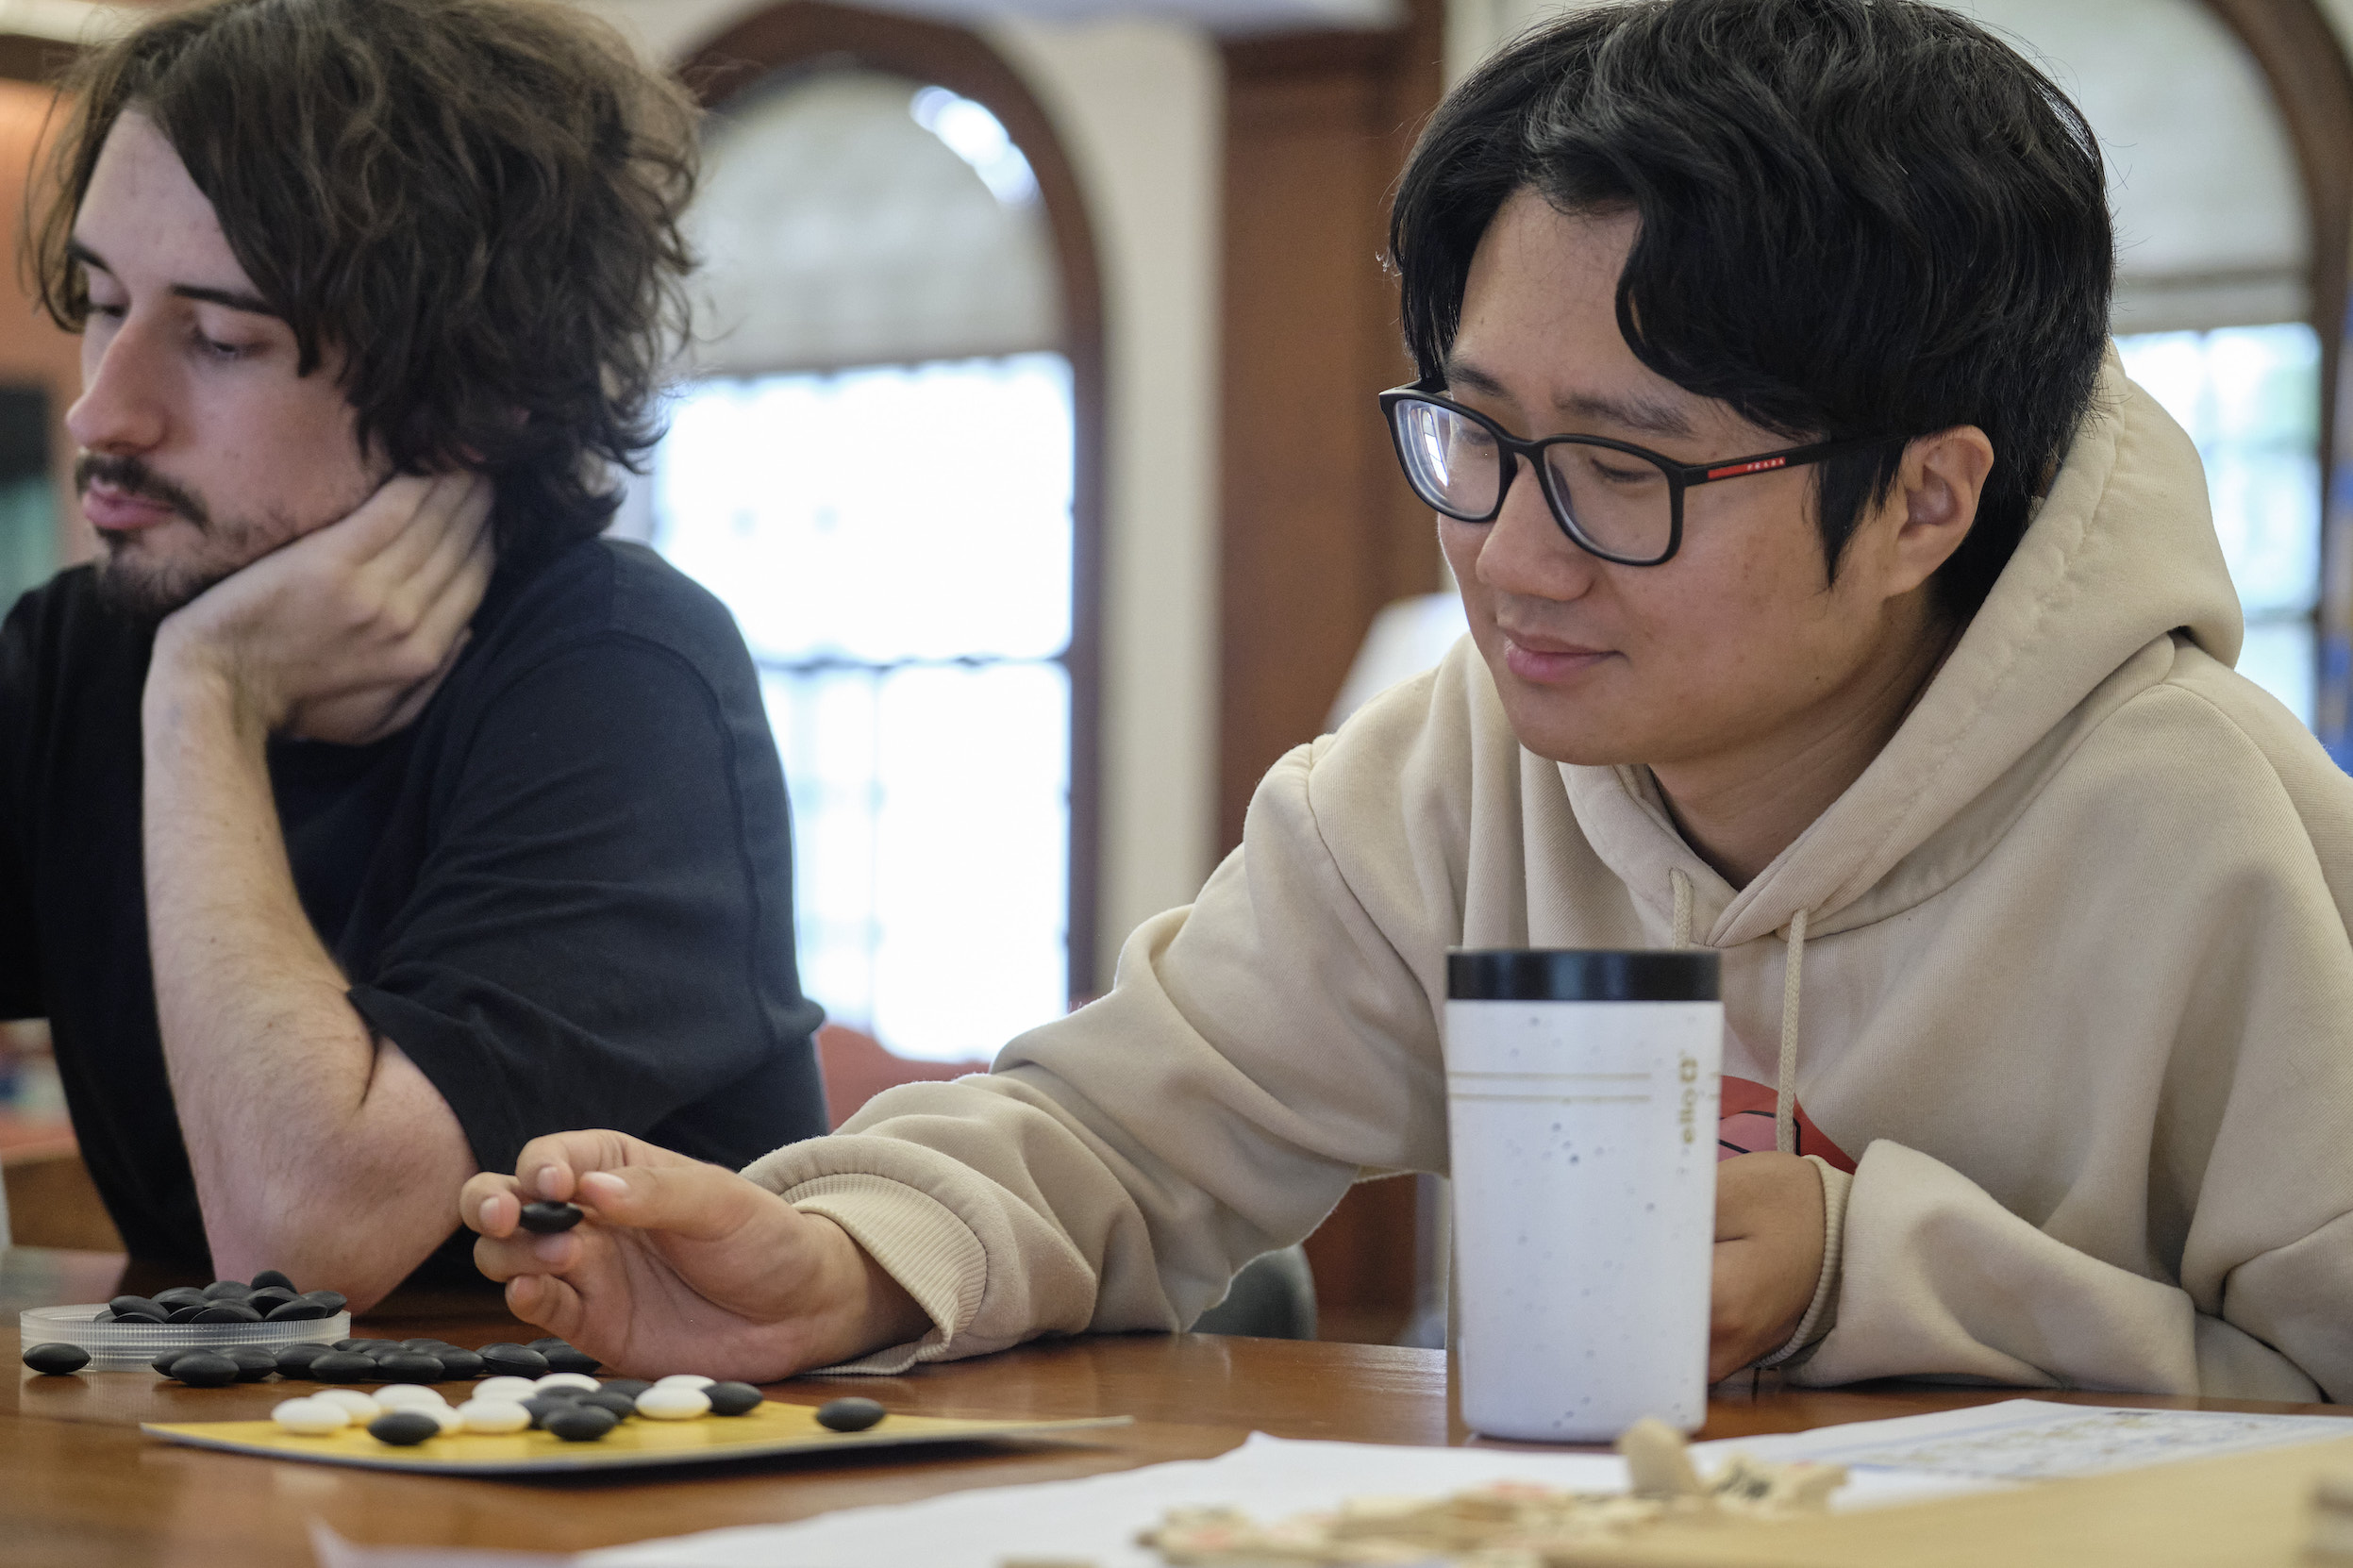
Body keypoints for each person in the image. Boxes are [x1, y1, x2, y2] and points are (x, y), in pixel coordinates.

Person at [466, 0, 2353, 1399]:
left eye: (1623, 469)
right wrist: (841, 1257)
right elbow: (1124, 1136)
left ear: (1923, 503)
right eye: (1475, 433)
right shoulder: (1457, 766)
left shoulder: (2202, 833)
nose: (1512, 557)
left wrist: (1870, 1273)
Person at [0, 0, 828, 1309]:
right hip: (227, 1441)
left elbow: (299, 1245)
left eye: (221, 341)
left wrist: (207, 696)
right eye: (104, 304)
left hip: (607, 1442)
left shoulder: (624, 679)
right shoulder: (81, 650)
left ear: (471, 397)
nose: (103, 408)